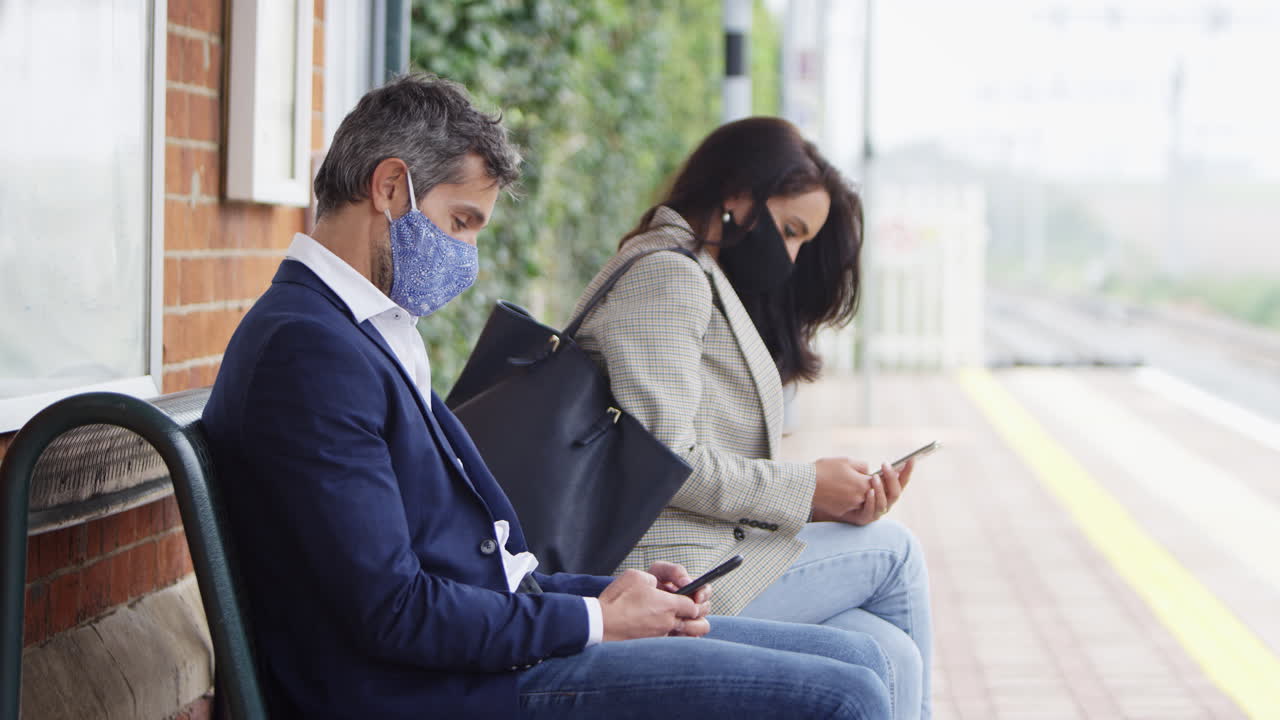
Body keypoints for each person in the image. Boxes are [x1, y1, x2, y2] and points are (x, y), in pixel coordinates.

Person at [200, 74, 893, 719]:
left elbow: (470, 573)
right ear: (389, 187)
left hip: (481, 659)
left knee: (862, 660)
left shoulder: (359, 329)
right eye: (461, 220)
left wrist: (612, 594)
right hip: (441, 692)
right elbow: (392, 610)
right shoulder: (312, 351)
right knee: (848, 694)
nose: (466, 254)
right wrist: (599, 621)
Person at [570, 117, 934, 720]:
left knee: (892, 652)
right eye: (790, 230)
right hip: (665, 573)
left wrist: (823, 496)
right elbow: (668, 463)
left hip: (708, 551)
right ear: (738, 195)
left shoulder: (696, 273)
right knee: (893, 551)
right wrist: (809, 489)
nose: (790, 256)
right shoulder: (668, 274)